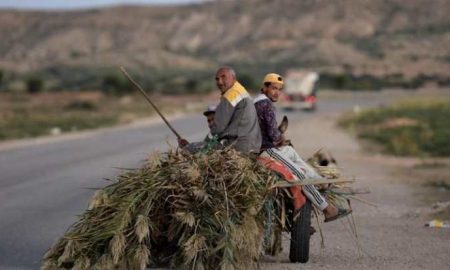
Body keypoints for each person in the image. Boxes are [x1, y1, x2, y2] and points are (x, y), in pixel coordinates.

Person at [254, 73, 351, 222]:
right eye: (273, 88)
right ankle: (327, 208)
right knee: (298, 175)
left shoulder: (259, 102)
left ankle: (319, 181)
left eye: (279, 89)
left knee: (292, 152)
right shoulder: (265, 105)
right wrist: (281, 138)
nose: (277, 92)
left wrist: (281, 139)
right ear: (265, 87)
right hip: (267, 150)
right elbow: (273, 135)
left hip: (271, 146)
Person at [210, 66, 262, 154]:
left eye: (223, 77)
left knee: (192, 148)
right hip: (253, 145)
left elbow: (218, 128)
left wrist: (206, 141)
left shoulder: (232, 94)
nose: (219, 82)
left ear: (234, 78)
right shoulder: (241, 91)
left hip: (238, 145)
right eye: (217, 79)